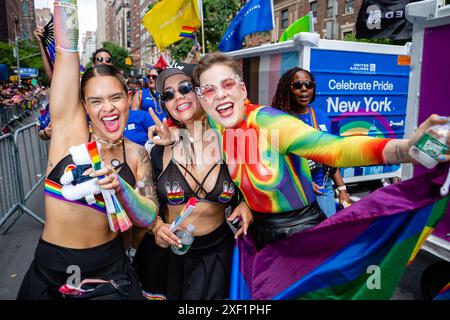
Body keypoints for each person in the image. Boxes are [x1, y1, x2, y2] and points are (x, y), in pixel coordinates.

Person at [186, 52, 450, 250]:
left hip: (299, 231)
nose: (219, 95)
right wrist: (246, 204)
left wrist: (407, 148)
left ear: (242, 89)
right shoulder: (216, 124)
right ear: (203, 100)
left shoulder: (268, 121)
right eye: (209, 90)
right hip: (259, 233)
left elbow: (335, 148)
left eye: (228, 85)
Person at [17, 0, 159, 300]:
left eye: (115, 97)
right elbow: (67, 54)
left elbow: (148, 217)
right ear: (83, 106)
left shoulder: (137, 154)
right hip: (54, 273)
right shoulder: (70, 134)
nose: (107, 108)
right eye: (96, 101)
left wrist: (121, 187)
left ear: (128, 98)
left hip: (112, 272)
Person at [132, 67, 253, 300]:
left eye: (185, 88)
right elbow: (145, 205)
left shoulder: (234, 140)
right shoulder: (158, 149)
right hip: (169, 259)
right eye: (168, 95)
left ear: (203, 91)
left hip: (218, 255)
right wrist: (156, 227)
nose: (177, 97)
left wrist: (248, 204)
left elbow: (257, 184)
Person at [272, 67, 351, 216]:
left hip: (323, 187)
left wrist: (342, 190)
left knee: (326, 234)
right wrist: (302, 182)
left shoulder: (321, 116)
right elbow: (275, 162)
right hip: (295, 190)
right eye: (298, 85)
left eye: (308, 85)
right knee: (303, 237)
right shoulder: (280, 120)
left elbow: (330, 155)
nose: (304, 89)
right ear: (288, 88)